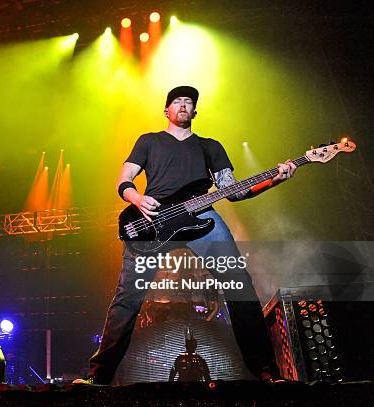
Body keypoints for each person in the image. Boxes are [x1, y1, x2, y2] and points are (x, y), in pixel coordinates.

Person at [75, 86, 296, 385]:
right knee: (127, 297)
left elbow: (235, 190)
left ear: (195, 112)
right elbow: (124, 180)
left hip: (202, 218)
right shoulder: (149, 141)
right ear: (166, 111)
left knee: (240, 287)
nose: (182, 104)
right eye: (176, 101)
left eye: (188, 102)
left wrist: (274, 180)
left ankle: (266, 371)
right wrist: (137, 199)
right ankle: (98, 376)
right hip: (152, 220)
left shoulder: (210, 146)